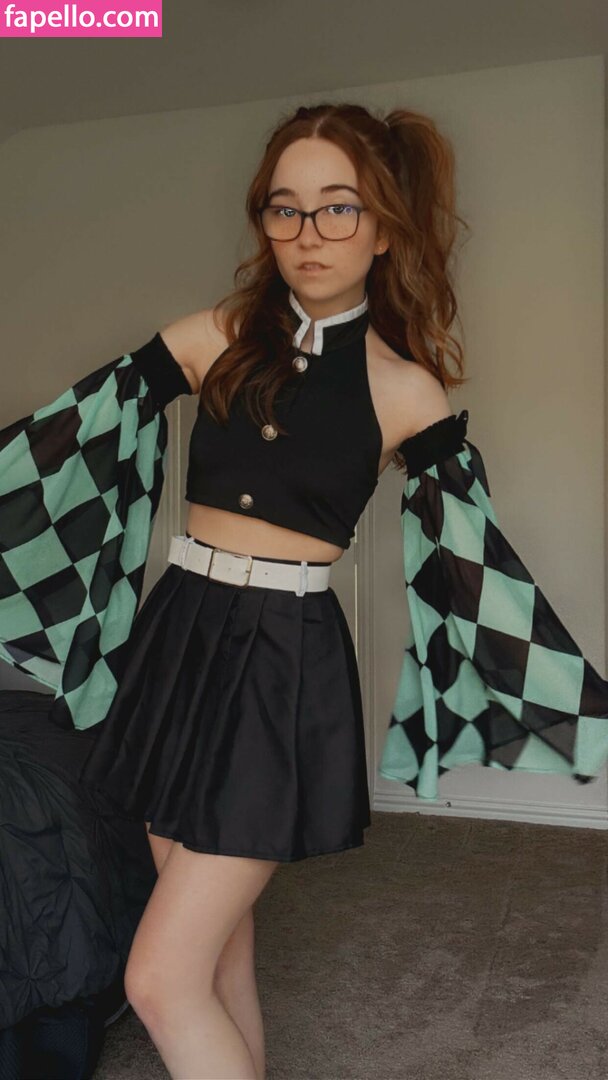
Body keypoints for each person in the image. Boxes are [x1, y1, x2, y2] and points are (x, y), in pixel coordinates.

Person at [1, 101, 608, 1079]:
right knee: (218, 951)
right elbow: (59, 443)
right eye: (285, 207)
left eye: (338, 206)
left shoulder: (406, 392)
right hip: (177, 635)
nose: (308, 231)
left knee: (157, 980)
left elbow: (474, 562)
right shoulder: (217, 335)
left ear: (382, 227)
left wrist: (564, 697)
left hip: (280, 659)